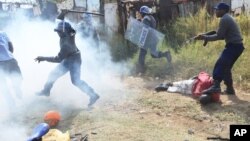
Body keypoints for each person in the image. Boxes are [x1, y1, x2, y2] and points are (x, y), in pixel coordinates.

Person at [35, 10, 100, 108]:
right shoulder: (70, 32)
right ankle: (46, 91)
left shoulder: (66, 44)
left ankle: (93, 95)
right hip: (73, 57)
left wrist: (43, 58)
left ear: (63, 32)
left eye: (59, 31)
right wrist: (63, 13)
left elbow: (58, 59)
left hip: (73, 61)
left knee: (76, 81)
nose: (57, 33)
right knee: (57, 75)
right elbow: (58, 20)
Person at [194, 2, 245, 95]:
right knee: (226, 67)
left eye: (217, 10)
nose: (215, 11)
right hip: (237, 46)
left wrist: (205, 38)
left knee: (220, 63)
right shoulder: (227, 18)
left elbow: (219, 36)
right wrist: (205, 36)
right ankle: (230, 89)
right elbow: (221, 35)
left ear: (223, 10)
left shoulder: (224, 19)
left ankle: (216, 86)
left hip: (234, 46)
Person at [136, 5, 172, 73]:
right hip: (153, 38)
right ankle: (166, 54)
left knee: (142, 54)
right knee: (154, 54)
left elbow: (145, 29)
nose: (140, 14)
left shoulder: (146, 18)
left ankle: (141, 70)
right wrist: (141, 22)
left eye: (141, 13)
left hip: (148, 39)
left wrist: (142, 40)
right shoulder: (151, 17)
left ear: (143, 13)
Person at [155, 71, 220, 105]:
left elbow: (216, 99)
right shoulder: (206, 80)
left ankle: (165, 88)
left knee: (179, 89)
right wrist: (195, 77)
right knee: (178, 84)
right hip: (193, 83)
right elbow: (202, 75)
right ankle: (168, 84)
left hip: (191, 91)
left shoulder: (214, 97)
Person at [0, 31, 23, 107]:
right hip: (11, 60)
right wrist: (7, 55)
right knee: (16, 78)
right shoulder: (3, 33)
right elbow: (11, 48)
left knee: (3, 86)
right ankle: (17, 88)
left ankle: (11, 103)